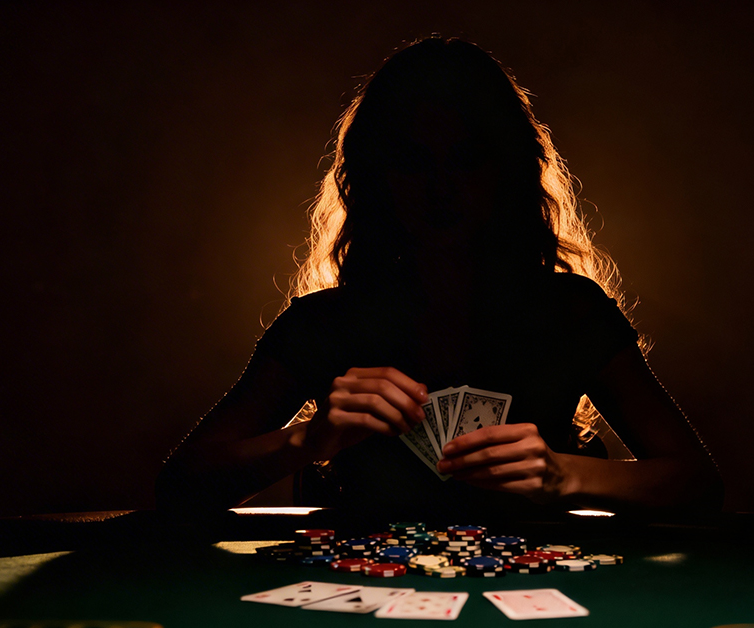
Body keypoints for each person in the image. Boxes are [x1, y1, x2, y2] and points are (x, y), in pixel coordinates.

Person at [155, 36, 723, 523]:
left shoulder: (572, 312)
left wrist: (565, 476)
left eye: (467, 159)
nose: (442, 188)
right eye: (413, 162)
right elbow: (178, 485)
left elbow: (699, 484)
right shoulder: (323, 324)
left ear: (507, 171)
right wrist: (307, 439)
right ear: (377, 179)